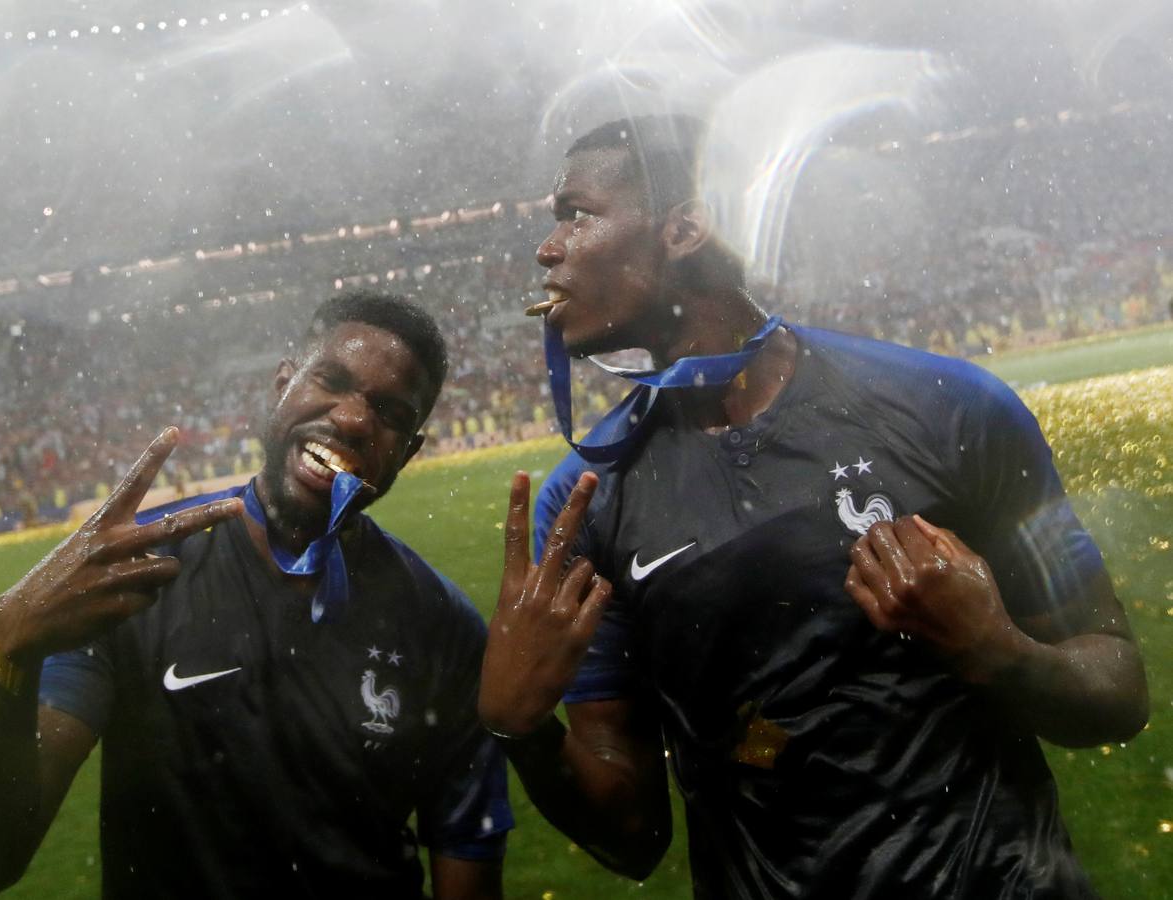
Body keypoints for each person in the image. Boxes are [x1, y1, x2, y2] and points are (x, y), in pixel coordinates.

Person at [479, 115, 1149, 898]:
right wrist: (521, 732)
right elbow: (634, 839)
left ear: (685, 227)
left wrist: (1001, 651)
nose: (547, 247)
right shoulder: (585, 500)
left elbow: (1119, 687)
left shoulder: (950, 408)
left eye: (575, 213)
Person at [0, 291, 512, 899]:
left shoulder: (442, 624)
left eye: (390, 413)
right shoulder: (138, 576)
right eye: (331, 379)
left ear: (408, 453)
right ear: (282, 385)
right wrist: (5, 647)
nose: (351, 419)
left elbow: (467, 862)